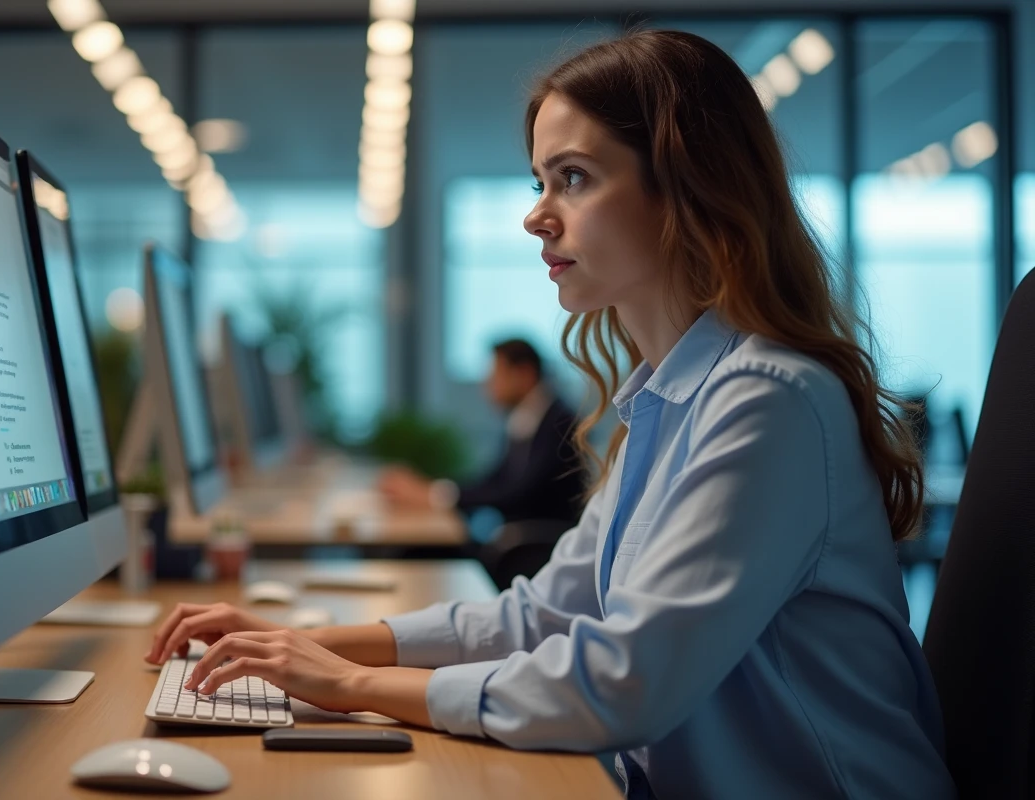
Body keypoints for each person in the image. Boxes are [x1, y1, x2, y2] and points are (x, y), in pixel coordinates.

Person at [146, 30, 955, 799]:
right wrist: (309, 645)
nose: (536, 214)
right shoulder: (669, 400)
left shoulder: (767, 402)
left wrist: (351, 685)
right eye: (541, 182)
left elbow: (621, 684)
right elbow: (544, 613)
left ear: (685, 187)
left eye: (573, 178)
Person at [378, 338, 585, 525]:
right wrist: (434, 489)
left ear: (524, 374)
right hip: (514, 535)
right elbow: (495, 480)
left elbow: (518, 494)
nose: (488, 384)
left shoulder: (559, 422)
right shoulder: (528, 417)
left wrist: (435, 495)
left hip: (534, 544)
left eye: (495, 374)